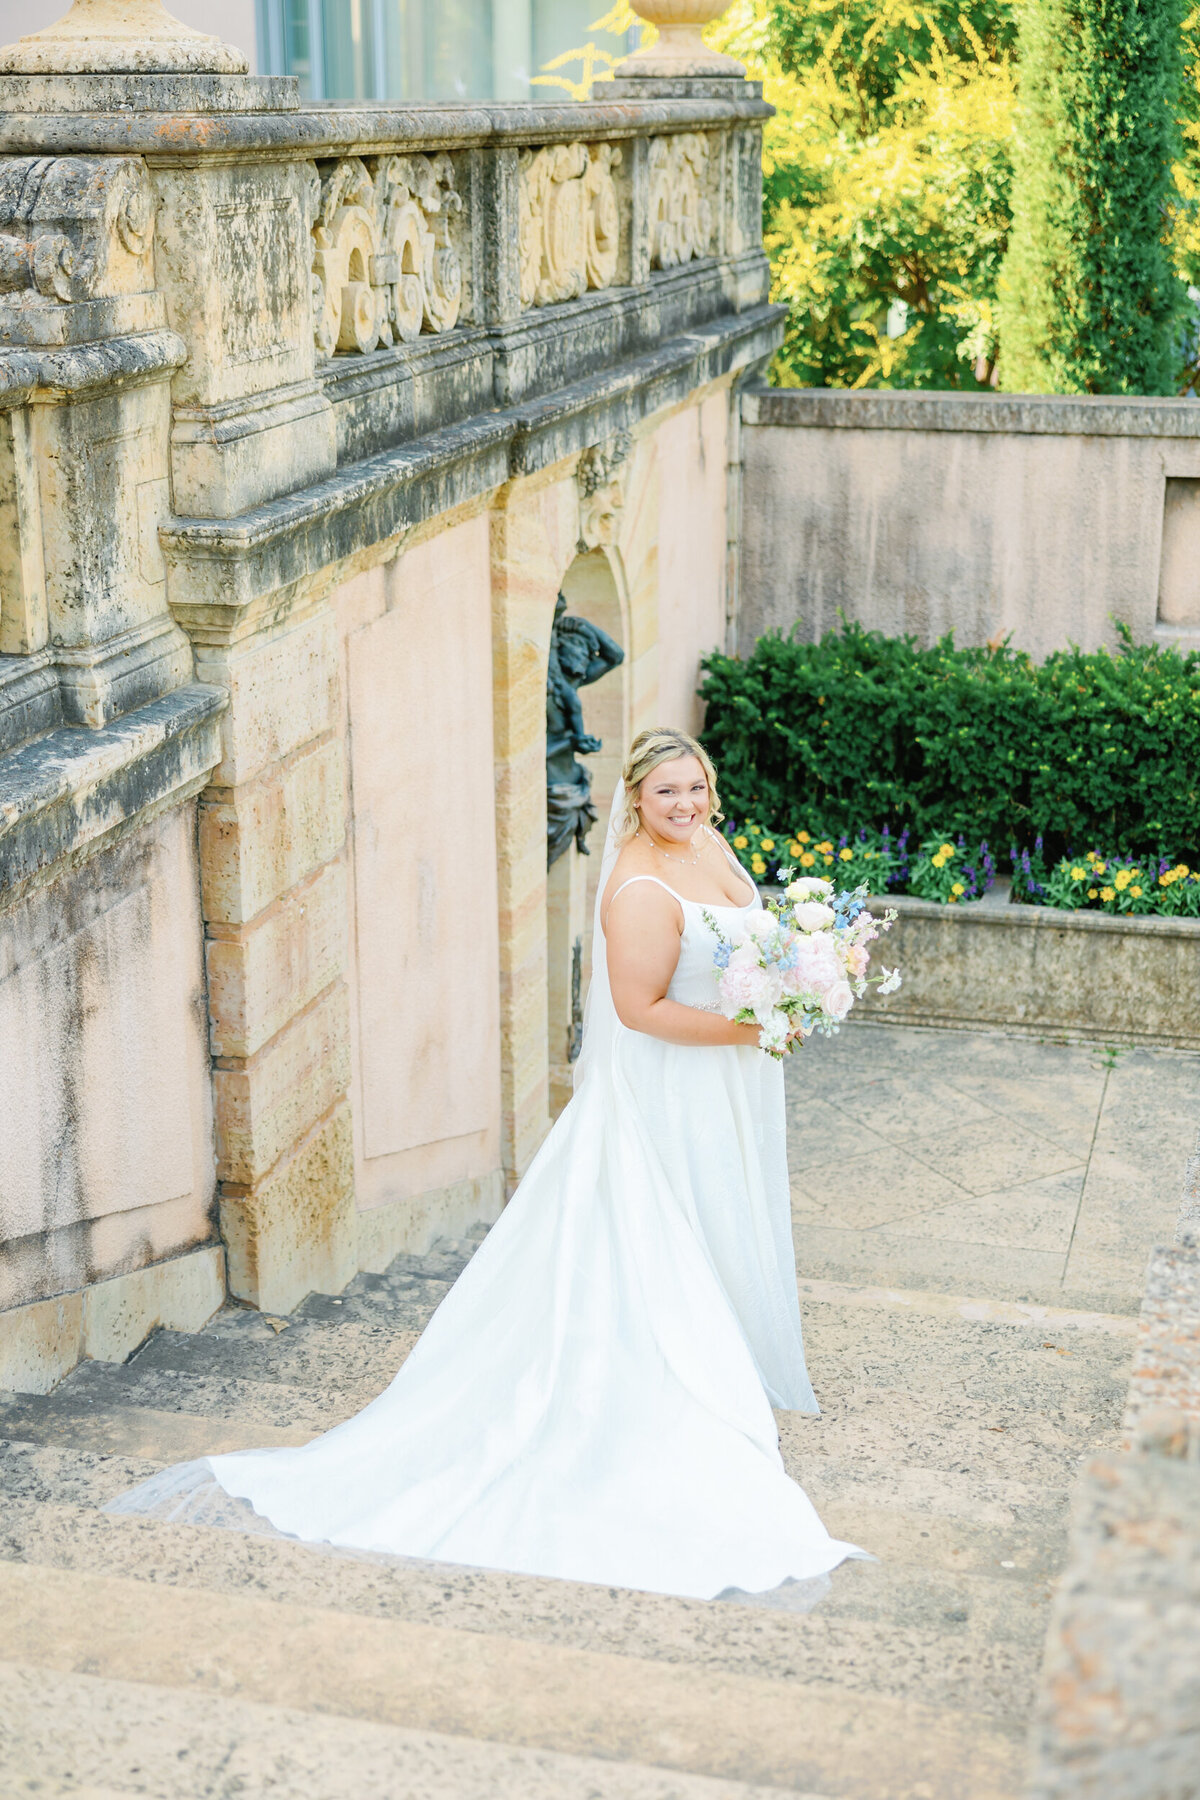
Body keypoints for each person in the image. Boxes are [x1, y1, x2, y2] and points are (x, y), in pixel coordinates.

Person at [108, 727, 866, 1601]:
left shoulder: (710, 850)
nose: (686, 805)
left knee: (716, 1214)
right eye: (667, 794)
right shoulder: (638, 889)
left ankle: (717, 1346)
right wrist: (756, 1026)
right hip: (673, 1088)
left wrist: (800, 976)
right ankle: (671, 1371)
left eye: (695, 788)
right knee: (668, 1228)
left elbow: (747, 946)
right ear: (637, 796)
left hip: (723, 1082)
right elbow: (642, 1009)